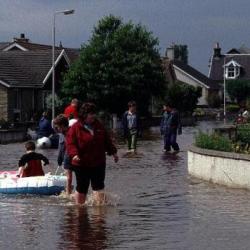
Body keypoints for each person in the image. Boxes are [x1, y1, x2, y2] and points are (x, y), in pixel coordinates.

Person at [66, 102, 119, 205]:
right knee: (82, 187)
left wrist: (114, 152)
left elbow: (106, 140)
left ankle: (99, 213)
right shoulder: (75, 128)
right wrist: (75, 154)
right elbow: (70, 143)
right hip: (81, 163)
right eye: (90, 113)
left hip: (98, 162)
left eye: (94, 113)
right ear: (84, 115)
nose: (93, 116)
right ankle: (79, 210)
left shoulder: (99, 125)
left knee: (99, 186)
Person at [53, 114, 76, 195]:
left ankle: (68, 194)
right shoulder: (73, 131)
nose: (57, 128)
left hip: (68, 157)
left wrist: (59, 160)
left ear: (62, 125)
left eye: (57, 127)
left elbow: (61, 149)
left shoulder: (63, 135)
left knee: (68, 177)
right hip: (76, 156)